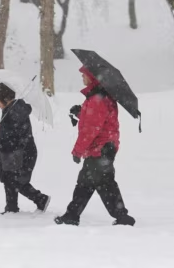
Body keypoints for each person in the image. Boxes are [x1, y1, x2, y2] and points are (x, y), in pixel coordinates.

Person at [54, 67, 135, 226]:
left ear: (92, 77)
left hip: (101, 149)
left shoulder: (97, 99)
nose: (82, 77)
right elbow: (96, 121)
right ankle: (72, 215)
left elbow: (90, 130)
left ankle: (122, 217)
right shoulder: (97, 97)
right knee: (85, 183)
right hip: (102, 148)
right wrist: (80, 112)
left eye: (84, 74)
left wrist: (77, 151)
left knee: (105, 185)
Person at [0, 83, 50, 214]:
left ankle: (41, 199)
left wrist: (1, 129)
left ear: (5, 98)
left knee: (17, 181)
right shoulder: (10, 109)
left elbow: (16, 132)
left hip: (22, 153)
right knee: (8, 179)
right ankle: (11, 208)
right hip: (13, 152)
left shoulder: (17, 110)